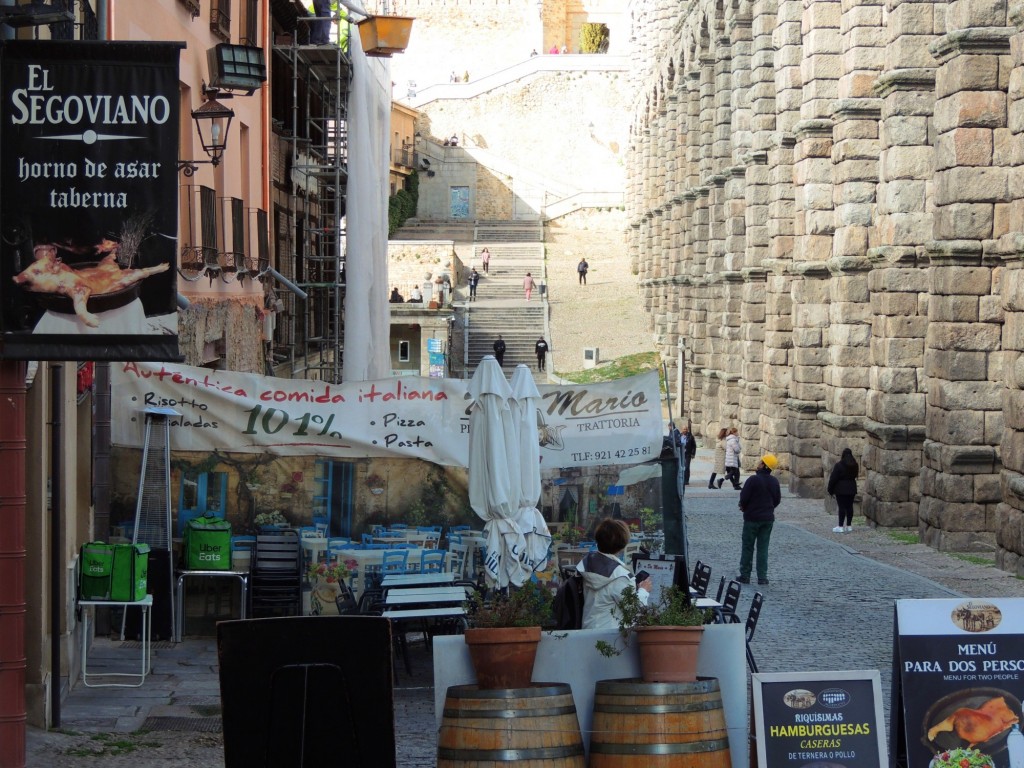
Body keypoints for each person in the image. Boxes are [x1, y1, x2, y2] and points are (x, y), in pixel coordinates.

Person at [576, 519, 651, 630]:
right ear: (623, 544)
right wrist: (644, 590)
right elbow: (634, 611)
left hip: (588, 630)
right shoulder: (621, 576)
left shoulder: (586, 565)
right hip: (612, 637)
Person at [738, 454, 781, 585]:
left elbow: (744, 497)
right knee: (763, 548)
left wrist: (743, 506)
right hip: (767, 519)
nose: (758, 463)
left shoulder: (753, 480)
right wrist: (768, 508)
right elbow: (777, 500)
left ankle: (745, 575)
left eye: (760, 462)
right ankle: (762, 577)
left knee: (748, 546)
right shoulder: (774, 481)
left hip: (752, 518)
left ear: (764, 465)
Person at [828, 448, 859, 533]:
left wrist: (830, 489)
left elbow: (833, 478)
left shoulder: (839, 465)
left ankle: (840, 526)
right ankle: (849, 525)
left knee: (841, 507)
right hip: (852, 487)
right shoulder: (855, 464)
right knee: (849, 507)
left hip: (841, 489)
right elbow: (856, 475)